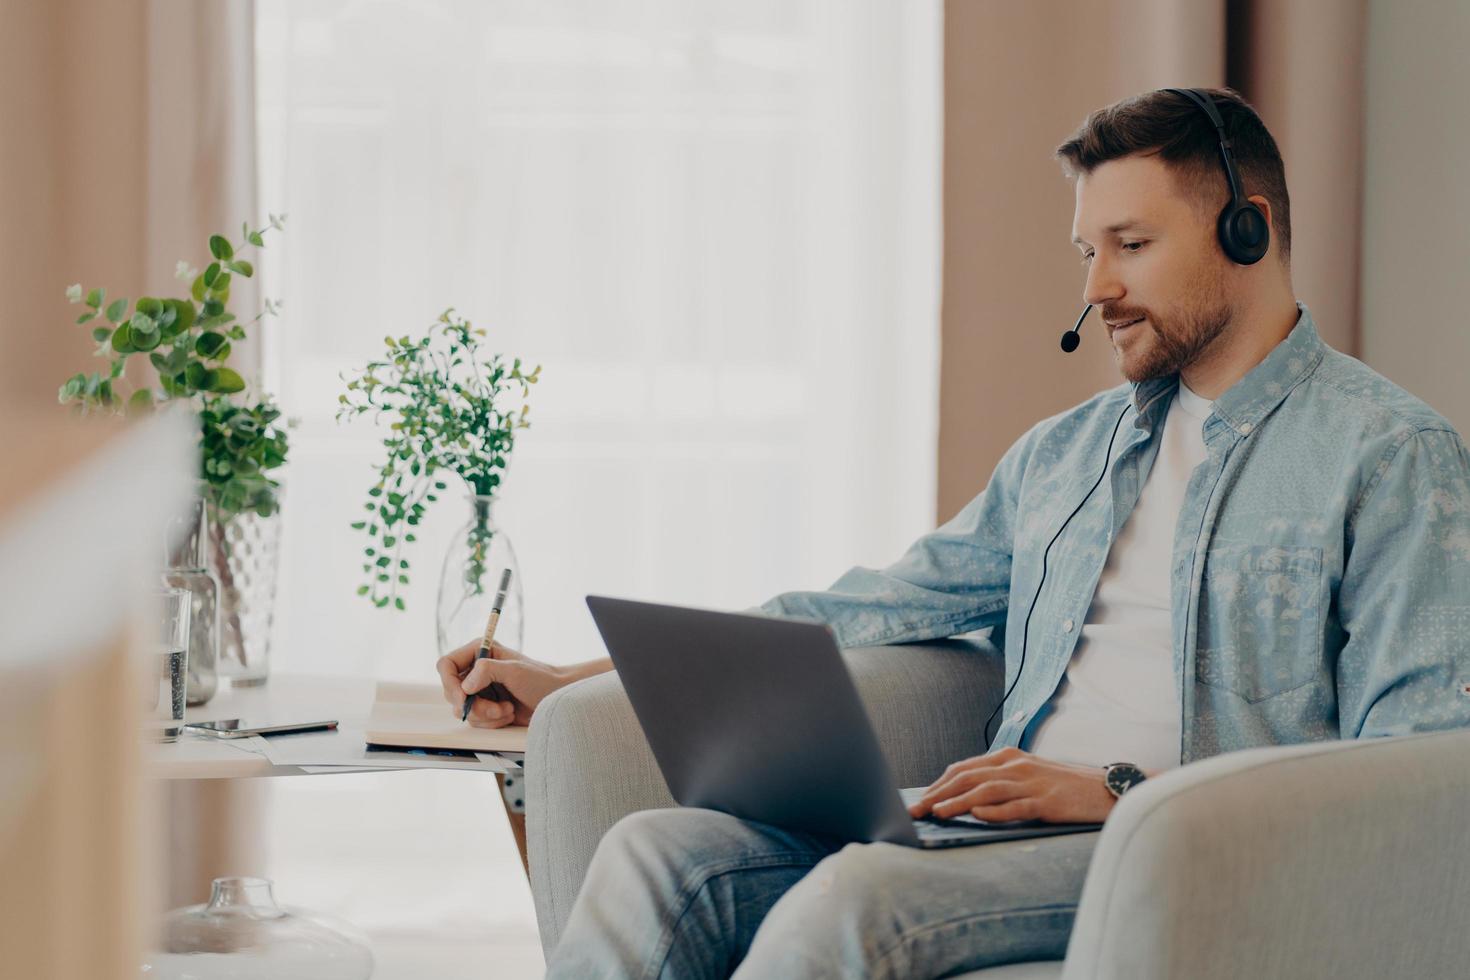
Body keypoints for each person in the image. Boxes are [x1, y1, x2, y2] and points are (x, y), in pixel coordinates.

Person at [437, 87, 1470, 978]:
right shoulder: (1065, 455)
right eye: (1087, 250)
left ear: (1245, 232)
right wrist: (578, 671)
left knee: (853, 901)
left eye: (1132, 245)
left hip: (1167, 844)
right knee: (654, 855)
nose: (1096, 287)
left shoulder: (1389, 457)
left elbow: (1414, 762)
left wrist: (1117, 789)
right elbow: (876, 603)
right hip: (993, 817)